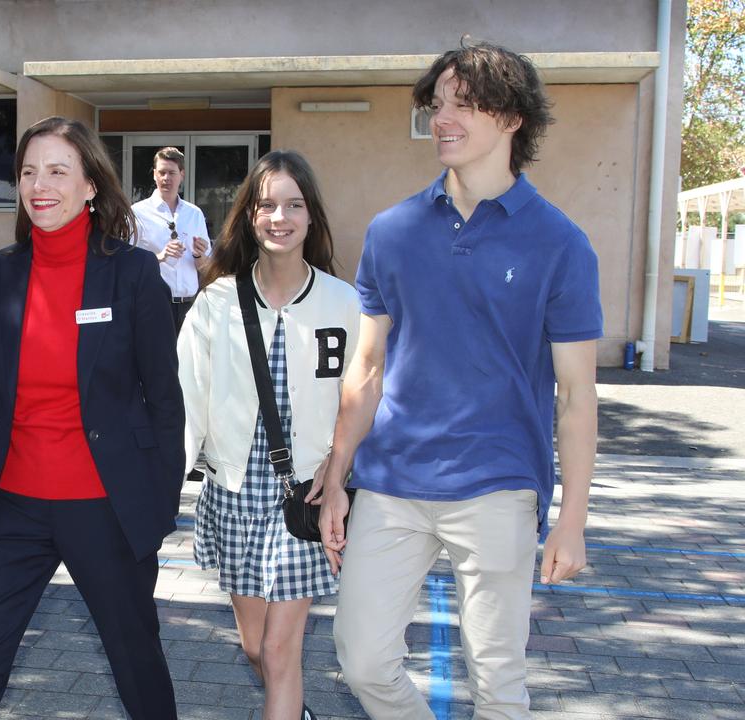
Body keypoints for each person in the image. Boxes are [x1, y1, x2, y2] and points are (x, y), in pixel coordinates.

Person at [316, 41, 601, 719]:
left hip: (498, 484)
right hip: (391, 483)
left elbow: (578, 395)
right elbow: (367, 367)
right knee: (361, 659)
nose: (443, 118)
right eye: (437, 104)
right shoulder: (393, 231)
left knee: (498, 680)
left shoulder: (560, 243)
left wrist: (573, 521)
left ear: (511, 120)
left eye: (464, 105)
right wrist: (336, 474)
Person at [0, 116, 184, 719]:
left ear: (91, 184)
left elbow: (165, 403)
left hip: (106, 508)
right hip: (14, 509)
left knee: (137, 667)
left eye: (56, 171)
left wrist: (155, 509)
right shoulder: (1, 272)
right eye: (27, 171)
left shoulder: (132, 274)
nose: (38, 185)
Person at [178, 150, 360, 720]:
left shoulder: (344, 302)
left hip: (302, 495)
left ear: (311, 216)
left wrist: (339, 475)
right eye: (267, 205)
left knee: (281, 650)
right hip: (233, 490)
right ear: (249, 216)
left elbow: (363, 401)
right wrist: (160, 487)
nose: (279, 218)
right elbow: (186, 397)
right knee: (256, 648)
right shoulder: (217, 302)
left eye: (293, 205)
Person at [132, 147, 212, 331]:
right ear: (154, 175)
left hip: (189, 306)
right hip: (153, 305)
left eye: (171, 173)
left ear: (181, 175)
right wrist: (159, 257)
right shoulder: (137, 213)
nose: (166, 178)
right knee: (158, 360)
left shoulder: (194, 214)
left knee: (188, 360)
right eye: (162, 172)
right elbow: (126, 261)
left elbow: (206, 268)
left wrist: (199, 255)